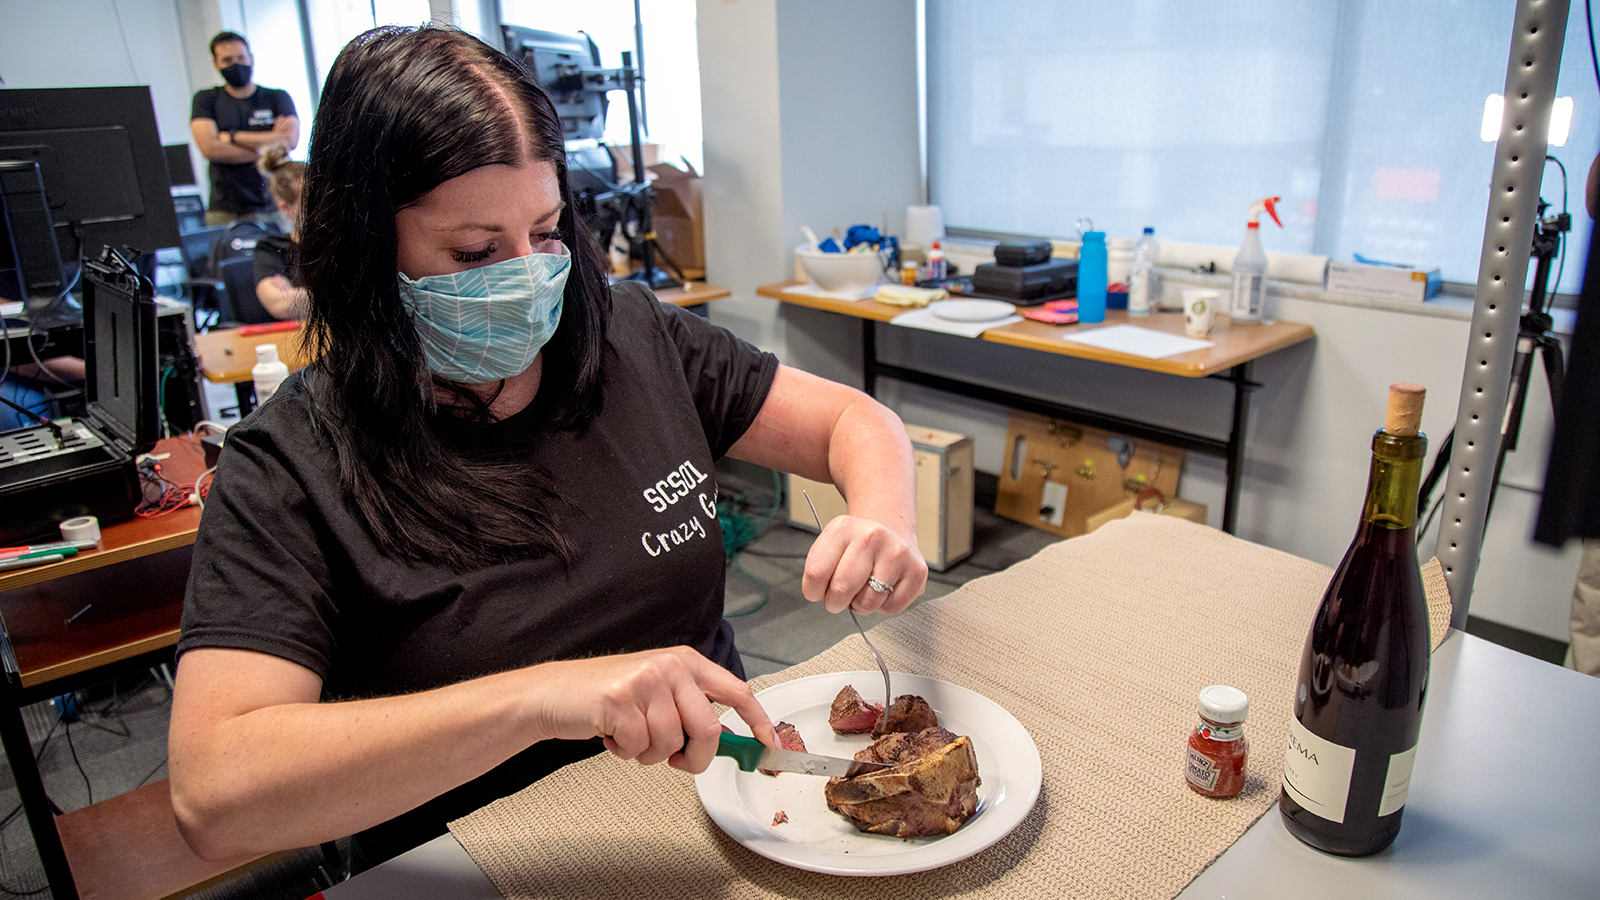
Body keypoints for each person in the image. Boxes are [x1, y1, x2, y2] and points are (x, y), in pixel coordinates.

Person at [168, 24, 928, 873]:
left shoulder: (632, 337)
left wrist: (885, 516)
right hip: (485, 860)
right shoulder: (289, 464)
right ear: (365, 250)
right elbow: (214, 797)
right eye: (475, 252)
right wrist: (540, 700)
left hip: (729, 806)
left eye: (545, 229)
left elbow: (853, 422)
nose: (526, 275)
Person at [189, 31, 299, 227]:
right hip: (225, 209)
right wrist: (270, 145)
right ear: (216, 64)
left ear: (251, 58)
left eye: (241, 58)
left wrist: (232, 137)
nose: (236, 64)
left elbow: (289, 141)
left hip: (273, 204)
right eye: (227, 60)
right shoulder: (206, 100)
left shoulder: (276, 98)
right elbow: (210, 149)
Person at [252, 145, 308, 319]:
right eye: (310, 202)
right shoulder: (271, 249)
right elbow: (279, 305)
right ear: (286, 208)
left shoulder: (342, 243)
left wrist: (296, 294)